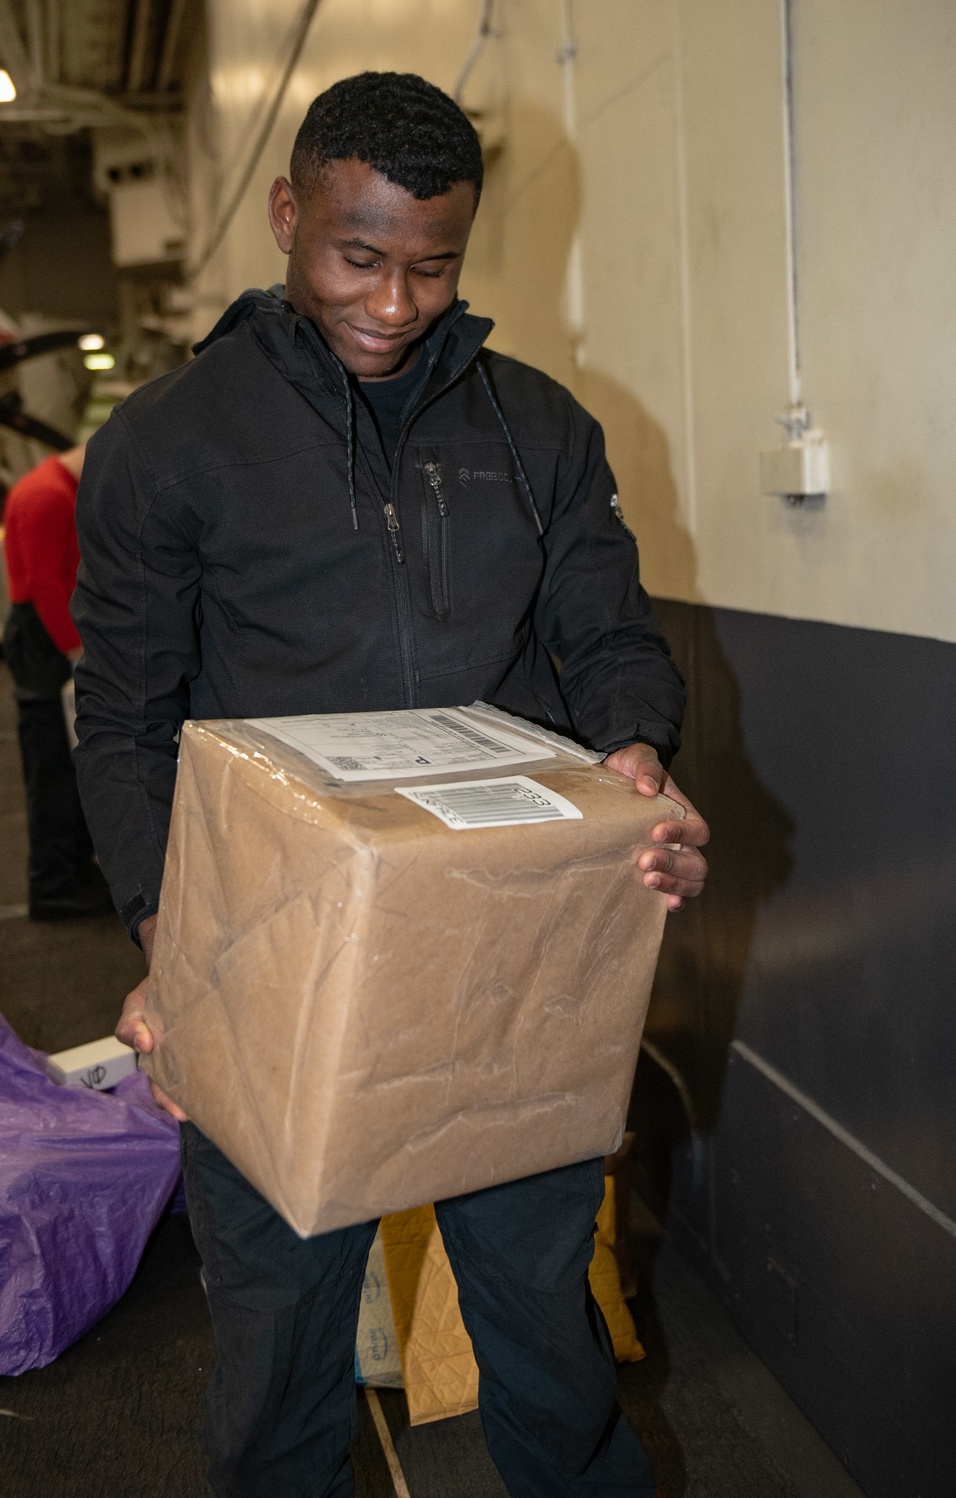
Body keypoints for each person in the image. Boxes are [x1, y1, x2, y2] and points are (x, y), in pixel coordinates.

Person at [72, 72, 709, 1498]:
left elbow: (608, 639)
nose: (395, 301)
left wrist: (639, 758)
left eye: (434, 266)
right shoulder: (172, 446)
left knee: (546, 1329)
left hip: (506, 955)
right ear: (290, 213)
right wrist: (166, 947)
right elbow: (121, 717)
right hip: (270, 963)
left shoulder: (538, 430)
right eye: (359, 257)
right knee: (280, 1355)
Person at [2, 444, 110, 919]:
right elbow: (47, 584)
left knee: (65, 763)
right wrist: (78, 655)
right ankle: (53, 883)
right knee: (51, 765)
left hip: (46, 635)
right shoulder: (49, 495)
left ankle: (70, 867)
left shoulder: (51, 487)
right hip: (46, 641)